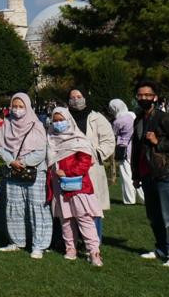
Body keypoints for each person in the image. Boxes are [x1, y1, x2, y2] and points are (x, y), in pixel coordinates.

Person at [130, 79, 169, 267]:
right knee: (154, 216)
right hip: (147, 173)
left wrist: (159, 142)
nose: (144, 98)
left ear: (155, 97)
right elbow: (137, 149)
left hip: (163, 172)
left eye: (148, 95)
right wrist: (135, 174)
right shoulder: (139, 118)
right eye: (140, 95)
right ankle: (163, 248)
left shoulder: (162, 118)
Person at [0, 93, 51, 258]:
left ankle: (39, 245)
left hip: (34, 171)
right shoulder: (7, 124)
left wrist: (24, 161)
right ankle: (17, 241)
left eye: (21, 106)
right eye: (15, 106)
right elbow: (2, 147)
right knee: (15, 206)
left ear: (27, 107)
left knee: (37, 207)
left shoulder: (37, 125)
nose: (18, 110)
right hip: (13, 171)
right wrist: (11, 161)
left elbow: (41, 151)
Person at [47, 107, 103, 267]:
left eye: (61, 120)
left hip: (78, 186)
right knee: (66, 219)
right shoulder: (51, 139)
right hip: (60, 187)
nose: (58, 123)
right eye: (55, 121)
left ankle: (94, 252)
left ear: (68, 120)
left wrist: (67, 172)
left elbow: (85, 162)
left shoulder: (78, 139)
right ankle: (70, 249)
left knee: (84, 219)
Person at [67, 89, 115, 239]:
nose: (76, 100)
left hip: (92, 167)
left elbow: (108, 140)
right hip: (70, 167)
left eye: (79, 96)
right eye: (72, 97)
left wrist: (96, 154)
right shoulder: (63, 117)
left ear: (85, 98)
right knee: (71, 205)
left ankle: (94, 242)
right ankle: (73, 240)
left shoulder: (97, 118)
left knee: (93, 207)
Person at [109, 99, 144, 205]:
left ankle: (130, 199)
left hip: (124, 151)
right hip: (137, 149)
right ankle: (144, 198)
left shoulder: (118, 121)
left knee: (127, 176)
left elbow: (112, 134)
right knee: (139, 175)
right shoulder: (133, 115)